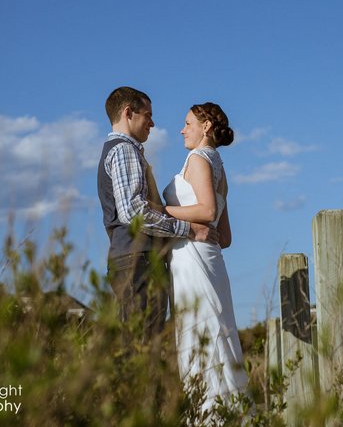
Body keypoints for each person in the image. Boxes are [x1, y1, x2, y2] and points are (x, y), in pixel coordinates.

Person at [97, 86, 213, 341]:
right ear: (128, 113)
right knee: (142, 344)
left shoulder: (122, 150)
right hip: (137, 260)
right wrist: (188, 228)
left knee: (140, 341)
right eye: (147, 115)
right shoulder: (124, 150)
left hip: (132, 259)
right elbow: (134, 212)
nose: (152, 122)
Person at [161, 102, 250, 415]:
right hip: (209, 259)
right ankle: (227, 412)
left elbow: (208, 212)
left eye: (187, 123)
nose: (182, 130)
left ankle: (210, 416)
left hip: (193, 260)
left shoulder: (198, 158)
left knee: (200, 336)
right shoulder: (220, 168)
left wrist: (159, 211)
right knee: (213, 333)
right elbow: (224, 237)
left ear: (206, 126)